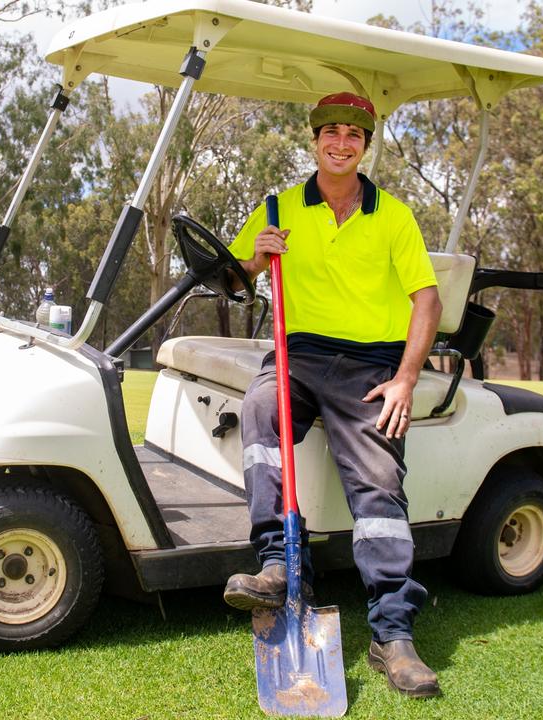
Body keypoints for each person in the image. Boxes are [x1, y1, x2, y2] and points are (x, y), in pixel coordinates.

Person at [221, 92, 444, 699]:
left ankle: (392, 635)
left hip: (371, 363)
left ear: (365, 145)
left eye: (353, 135)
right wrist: (254, 257)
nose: (341, 143)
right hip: (298, 354)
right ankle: (278, 565)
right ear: (315, 139)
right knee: (260, 409)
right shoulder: (279, 206)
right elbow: (233, 276)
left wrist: (405, 377)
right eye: (331, 132)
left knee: (378, 478)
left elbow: (427, 299)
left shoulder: (394, 215)